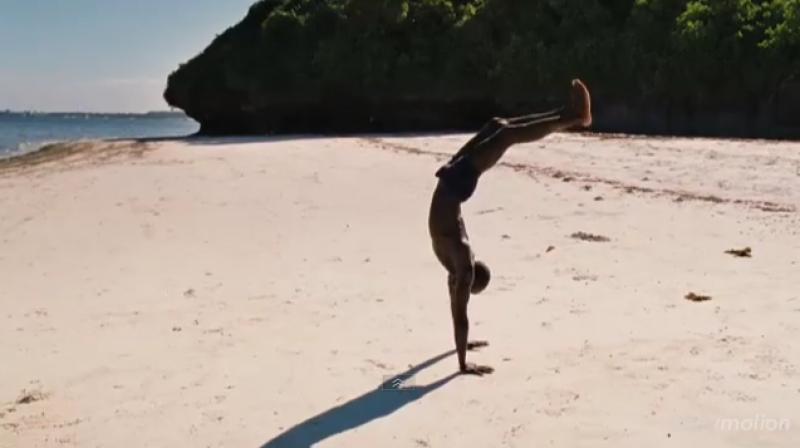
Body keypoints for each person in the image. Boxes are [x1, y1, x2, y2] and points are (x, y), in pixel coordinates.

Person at [428, 79, 593, 375]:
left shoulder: (459, 263)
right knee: (503, 132)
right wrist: (463, 354)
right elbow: (459, 313)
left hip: (453, 183)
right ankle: (570, 116)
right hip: (449, 181)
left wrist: (463, 354)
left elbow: (460, 316)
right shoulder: (456, 263)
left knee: (501, 129)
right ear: (470, 278)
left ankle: (570, 114)